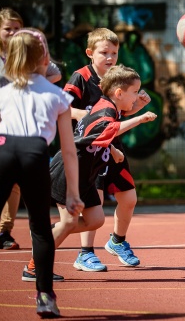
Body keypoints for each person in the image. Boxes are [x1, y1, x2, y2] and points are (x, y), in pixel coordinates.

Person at [0, 28, 83, 317]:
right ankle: (45, 297)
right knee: (40, 228)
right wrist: (72, 193)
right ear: (45, 57)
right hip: (35, 154)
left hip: (2, 150)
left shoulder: (1, 94)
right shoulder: (57, 96)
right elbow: (69, 151)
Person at [21, 65, 157, 282]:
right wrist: (140, 119)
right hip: (68, 171)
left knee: (95, 219)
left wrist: (112, 149)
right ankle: (34, 266)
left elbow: (86, 134)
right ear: (119, 93)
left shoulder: (106, 107)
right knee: (68, 223)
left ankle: (47, 233)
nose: (137, 97)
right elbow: (109, 129)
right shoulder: (106, 111)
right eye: (134, 92)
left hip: (85, 176)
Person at [63, 28, 151, 272]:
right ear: (90, 53)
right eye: (104, 52)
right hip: (91, 148)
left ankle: (117, 241)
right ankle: (85, 254)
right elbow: (63, 107)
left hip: (113, 146)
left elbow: (120, 113)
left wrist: (137, 107)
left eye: (114, 52)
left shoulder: (118, 78)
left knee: (129, 198)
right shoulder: (80, 77)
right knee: (96, 201)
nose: (110, 57)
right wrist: (89, 116)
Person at [0, 8, 62, 251]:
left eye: (17, 28)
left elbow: (54, 72)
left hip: (18, 126)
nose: (13, 32)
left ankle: (4, 233)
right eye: (8, 29)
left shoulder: (28, 52)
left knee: (14, 185)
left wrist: (35, 83)